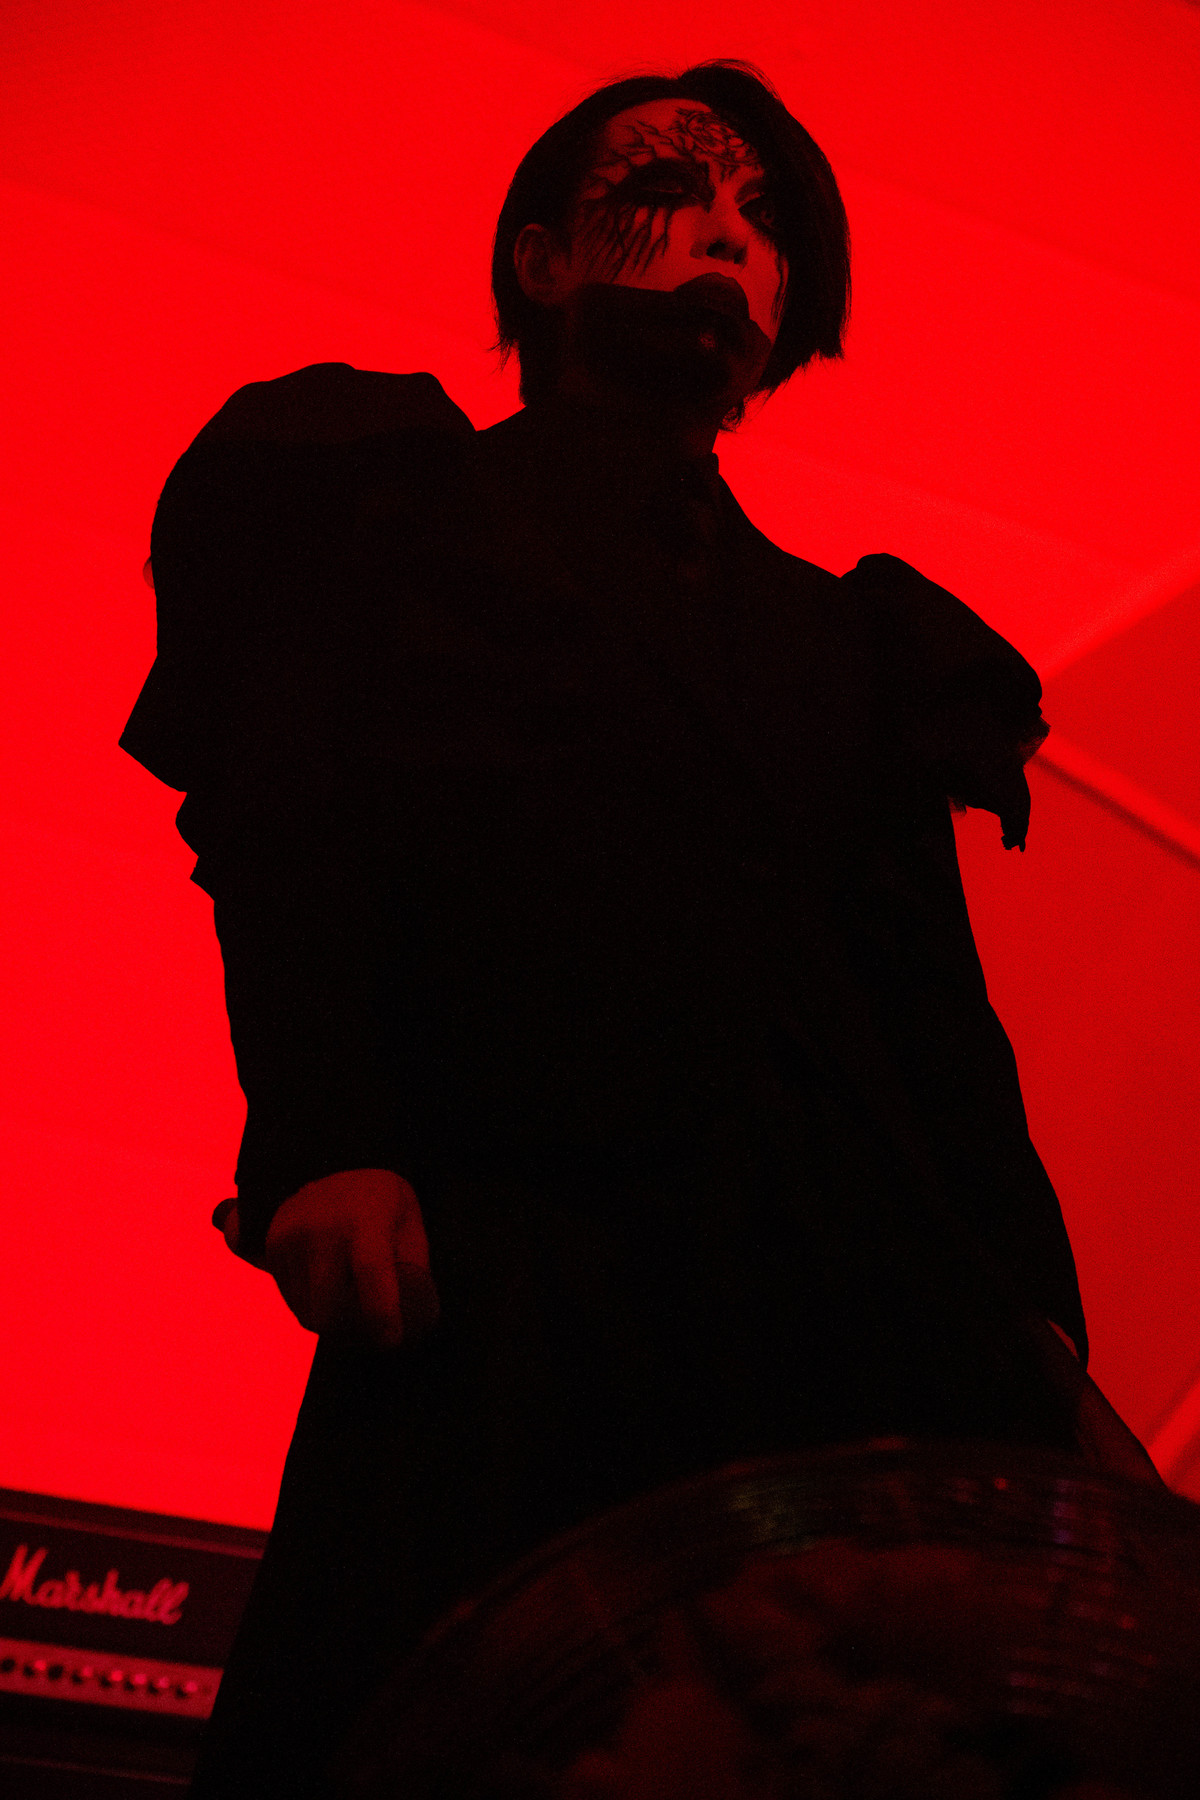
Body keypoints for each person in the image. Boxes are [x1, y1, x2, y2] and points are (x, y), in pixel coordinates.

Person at [120, 60, 1142, 1800]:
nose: (729, 238)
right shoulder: (379, 505)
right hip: (521, 1281)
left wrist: (1030, 1331)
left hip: (843, 1308)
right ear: (538, 258)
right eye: (675, 191)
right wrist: (327, 1136)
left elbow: (933, 1019)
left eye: (765, 221)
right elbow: (292, 835)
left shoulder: (861, 646)